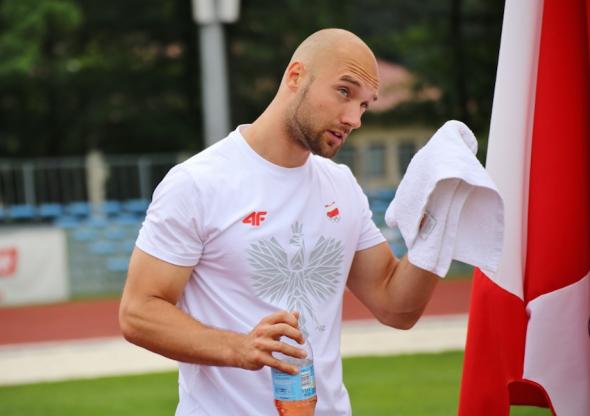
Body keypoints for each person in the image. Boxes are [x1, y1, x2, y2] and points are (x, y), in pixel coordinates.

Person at [119, 28, 439, 415]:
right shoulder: (197, 183)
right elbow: (139, 312)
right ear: (296, 76)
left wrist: (443, 220)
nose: (354, 119)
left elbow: (396, 307)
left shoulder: (340, 185)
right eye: (344, 91)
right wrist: (239, 348)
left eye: (365, 106)